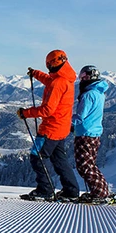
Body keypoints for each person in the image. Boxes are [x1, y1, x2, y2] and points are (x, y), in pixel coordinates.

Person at [16, 49, 80, 201]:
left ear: (51, 64)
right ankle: (71, 191)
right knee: (60, 160)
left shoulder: (58, 82)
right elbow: (49, 81)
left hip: (51, 128)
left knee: (37, 156)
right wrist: (36, 74)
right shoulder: (65, 78)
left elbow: (47, 110)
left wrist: (26, 113)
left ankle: (45, 190)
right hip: (62, 128)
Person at [72, 65, 112, 203]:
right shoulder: (99, 93)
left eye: (83, 77)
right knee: (90, 164)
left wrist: (67, 121)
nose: (81, 80)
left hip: (85, 133)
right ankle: (101, 190)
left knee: (84, 165)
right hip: (94, 133)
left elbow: (81, 116)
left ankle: (99, 193)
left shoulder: (88, 95)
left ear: (89, 77)